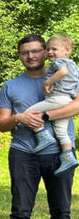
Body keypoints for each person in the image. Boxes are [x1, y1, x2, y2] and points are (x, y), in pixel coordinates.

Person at [0, 34, 79, 219]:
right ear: (20, 56)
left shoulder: (65, 74)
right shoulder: (10, 86)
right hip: (23, 153)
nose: (30, 56)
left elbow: (77, 105)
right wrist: (19, 118)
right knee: (21, 208)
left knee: (61, 209)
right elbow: (2, 124)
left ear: (45, 51)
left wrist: (44, 117)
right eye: (25, 52)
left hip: (59, 153)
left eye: (35, 51)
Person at [20, 34, 79, 173]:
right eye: (48, 49)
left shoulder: (59, 62)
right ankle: (68, 156)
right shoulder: (74, 66)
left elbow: (62, 72)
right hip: (68, 100)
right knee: (61, 131)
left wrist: (48, 82)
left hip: (57, 98)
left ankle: (43, 136)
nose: (50, 52)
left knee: (29, 114)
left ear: (68, 50)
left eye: (54, 49)